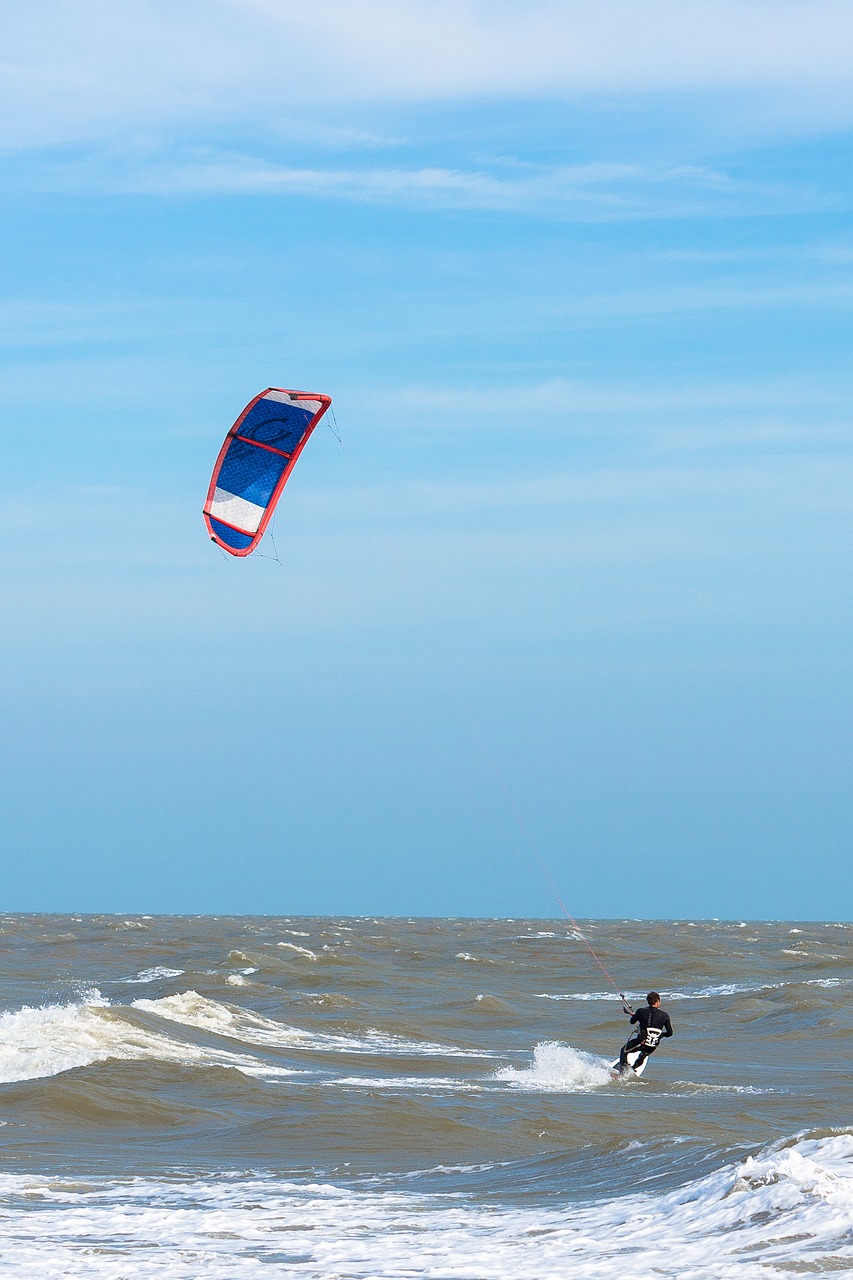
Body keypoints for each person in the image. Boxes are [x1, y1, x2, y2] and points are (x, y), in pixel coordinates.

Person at [618, 991, 673, 1074]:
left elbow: (632, 1022)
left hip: (642, 1041)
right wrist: (660, 1035)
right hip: (653, 1045)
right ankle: (633, 1069)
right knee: (642, 1056)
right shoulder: (665, 1015)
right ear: (657, 1001)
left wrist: (637, 1015)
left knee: (623, 1051)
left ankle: (623, 1071)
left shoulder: (641, 1011)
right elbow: (669, 1033)